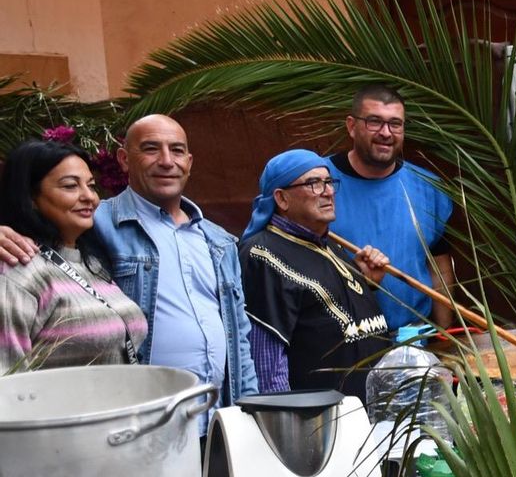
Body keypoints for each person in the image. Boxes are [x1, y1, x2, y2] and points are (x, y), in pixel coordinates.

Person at [0, 116, 258, 410]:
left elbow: (239, 336)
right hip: (125, 422)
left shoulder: (220, 241)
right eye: (150, 148)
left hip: (213, 414)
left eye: (176, 150)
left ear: (189, 160)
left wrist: (247, 409)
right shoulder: (99, 224)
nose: (166, 161)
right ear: (124, 159)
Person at [240, 149, 392, 398]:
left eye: (329, 182)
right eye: (313, 183)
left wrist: (365, 282)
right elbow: (267, 361)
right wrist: (282, 418)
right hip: (319, 421)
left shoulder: (330, 244)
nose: (328, 192)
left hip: (369, 412)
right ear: (282, 198)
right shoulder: (262, 254)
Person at [0, 140, 147, 371]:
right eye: (70, 186)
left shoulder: (93, 264)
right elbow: (7, 378)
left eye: (91, 185)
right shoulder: (17, 269)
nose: (89, 196)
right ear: (30, 198)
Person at [326, 85, 454, 332]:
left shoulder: (428, 187)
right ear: (352, 126)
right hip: (341, 341)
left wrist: (444, 336)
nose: (386, 132)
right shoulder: (318, 182)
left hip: (414, 339)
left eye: (395, 124)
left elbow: (439, 266)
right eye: (374, 122)